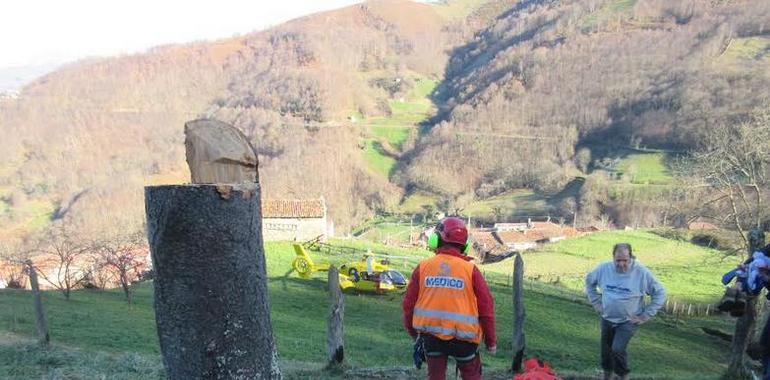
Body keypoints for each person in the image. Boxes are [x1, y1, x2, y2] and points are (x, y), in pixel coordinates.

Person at [402, 217, 496, 380]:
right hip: (464, 341)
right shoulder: (471, 270)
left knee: (436, 377)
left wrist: (413, 333)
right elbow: (486, 308)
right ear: (464, 245)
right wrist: (491, 342)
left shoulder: (423, 267)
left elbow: (408, 304)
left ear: (436, 239)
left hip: (431, 337)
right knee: (471, 376)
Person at [585, 243, 666, 380]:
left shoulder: (641, 273)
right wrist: (596, 303)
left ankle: (623, 376)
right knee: (606, 352)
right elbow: (589, 281)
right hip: (607, 318)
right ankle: (607, 376)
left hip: (628, 321)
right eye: (618, 260)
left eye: (625, 260)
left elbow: (660, 293)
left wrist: (645, 315)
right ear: (613, 258)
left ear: (631, 257)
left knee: (617, 349)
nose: (621, 264)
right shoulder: (604, 269)